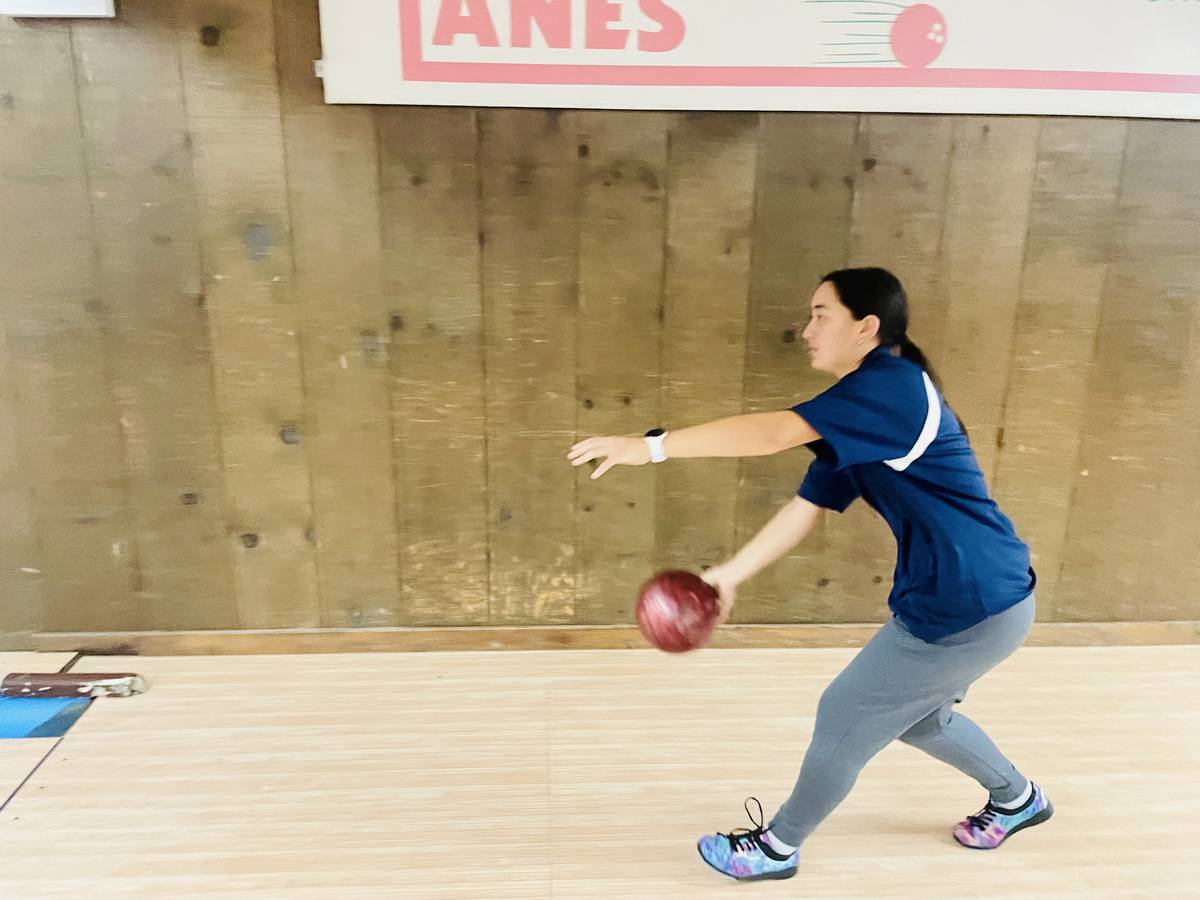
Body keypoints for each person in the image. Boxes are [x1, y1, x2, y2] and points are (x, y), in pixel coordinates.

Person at [566, 267, 1051, 882]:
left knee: (845, 714)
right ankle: (1018, 799)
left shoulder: (894, 389)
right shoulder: (862, 411)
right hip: (975, 595)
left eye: (821, 314)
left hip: (971, 602)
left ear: (865, 326)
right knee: (921, 719)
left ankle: (775, 847)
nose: (807, 330)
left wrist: (652, 445)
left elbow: (771, 432)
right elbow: (807, 508)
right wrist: (730, 576)